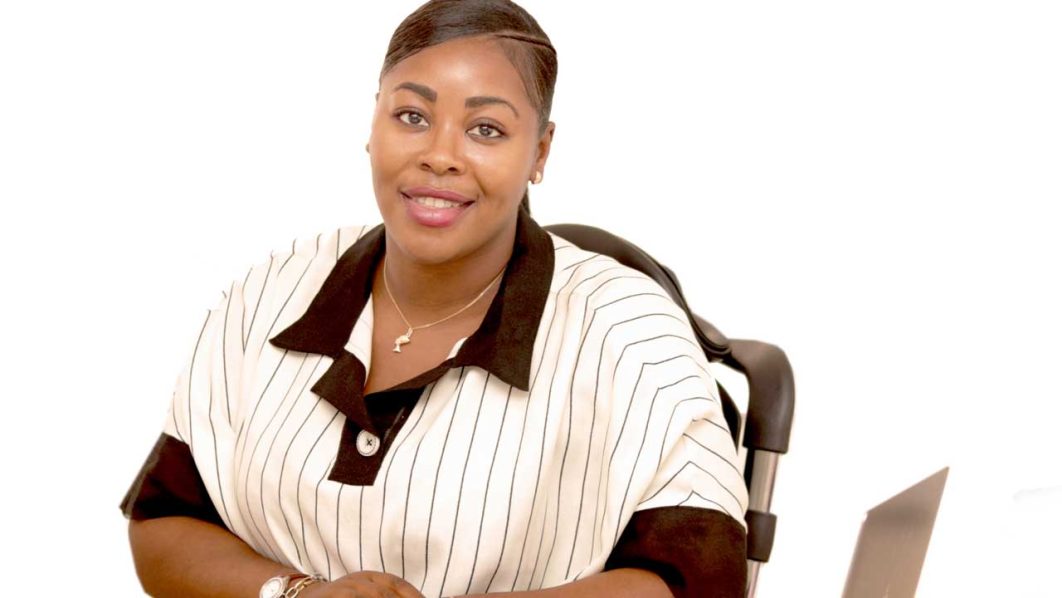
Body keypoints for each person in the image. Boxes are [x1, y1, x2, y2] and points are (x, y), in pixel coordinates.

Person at [120, 1, 748, 596]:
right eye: (412, 117)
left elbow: (698, 582)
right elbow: (163, 521)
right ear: (374, 123)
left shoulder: (632, 336)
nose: (440, 156)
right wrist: (299, 592)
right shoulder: (269, 292)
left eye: (486, 129)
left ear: (540, 151)